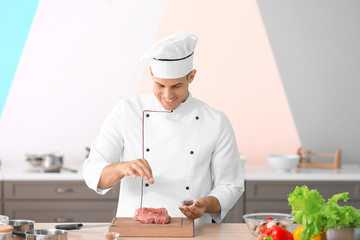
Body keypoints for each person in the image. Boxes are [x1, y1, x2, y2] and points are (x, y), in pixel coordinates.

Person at [83, 31, 244, 223]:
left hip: (194, 230)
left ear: (191, 76)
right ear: (151, 73)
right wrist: (122, 168)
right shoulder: (127, 112)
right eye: (160, 85)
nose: (168, 95)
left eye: (176, 86)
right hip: (135, 231)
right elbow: (92, 172)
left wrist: (206, 204)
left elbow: (230, 185)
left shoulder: (216, 121)